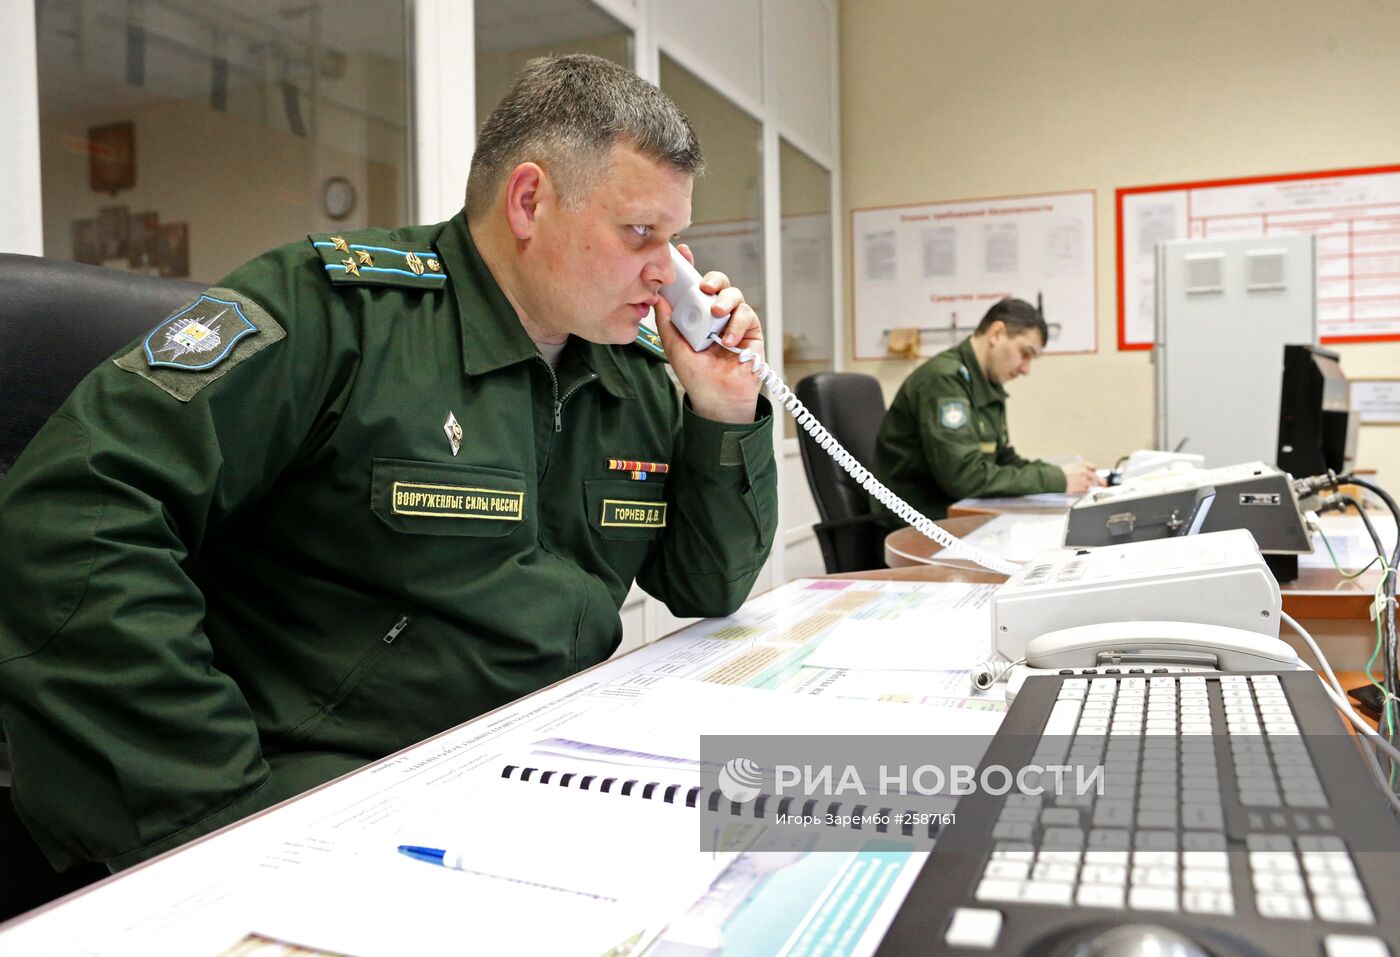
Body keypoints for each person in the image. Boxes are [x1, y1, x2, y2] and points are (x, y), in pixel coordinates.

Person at [0, 54, 777, 873]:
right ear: (529, 200)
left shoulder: (631, 371)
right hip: (337, 796)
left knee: (841, 815)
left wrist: (723, 410)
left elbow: (708, 584)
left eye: (675, 238)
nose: (668, 270)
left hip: (539, 770)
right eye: (640, 233)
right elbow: (68, 517)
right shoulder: (336, 313)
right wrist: (218, 814)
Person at [873, 298, 1102, 521]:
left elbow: (1000, 459)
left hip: (952, 515)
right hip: (915, 522)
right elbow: (965, 477)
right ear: (996, 334)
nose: (1025, 369)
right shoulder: (944, 380)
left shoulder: (985, 382)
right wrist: (1057, 479)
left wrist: (1066, 475)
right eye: (1025, 353)